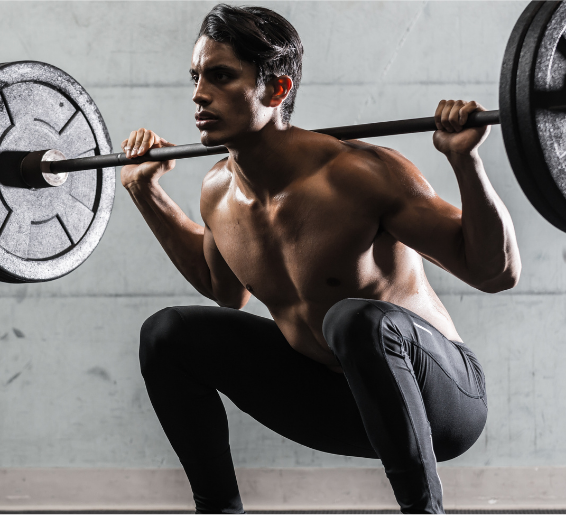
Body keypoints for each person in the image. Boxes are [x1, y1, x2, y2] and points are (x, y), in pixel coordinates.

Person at [121, 4, 520, 513]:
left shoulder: (359, 174)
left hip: (440, 404)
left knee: (354, 319)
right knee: (167, 334)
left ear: (277, 89)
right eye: (196, 76)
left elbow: (496, 272)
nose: (199, 94)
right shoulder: (218, 192)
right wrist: (145, 193)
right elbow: (225, 292)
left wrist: (466, 161)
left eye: (221, 77)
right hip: (336, 404)